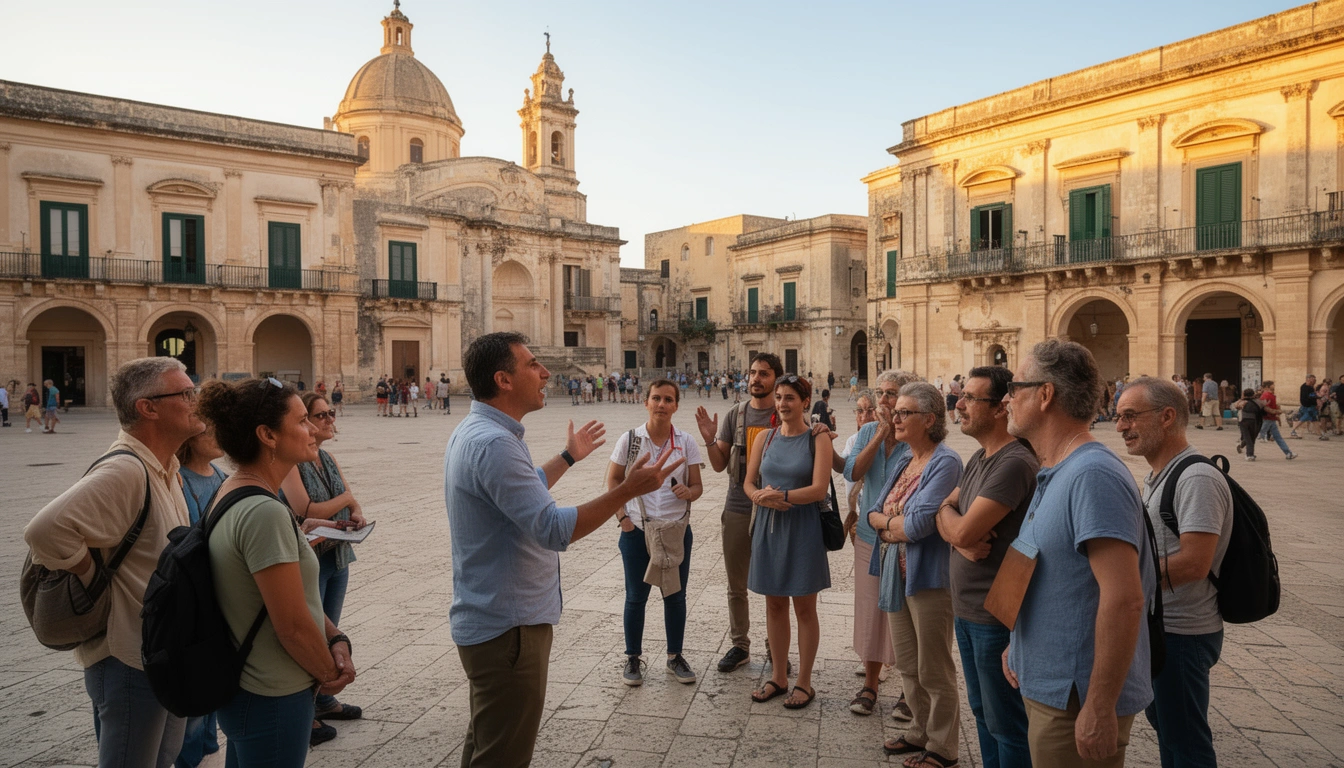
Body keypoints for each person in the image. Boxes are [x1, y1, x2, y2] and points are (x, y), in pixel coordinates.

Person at [445, 333, 681, 766]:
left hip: (490, 620)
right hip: (509, 630)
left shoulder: (477, 430)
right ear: (504, 379)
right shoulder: (495, 443)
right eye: (533, 364)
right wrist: (626, 491)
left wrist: (567, 458)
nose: (546, 372)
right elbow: (553, 529)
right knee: (504, 755)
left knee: (485, 747)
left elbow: (519, 492)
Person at [24, 357, 200, 768]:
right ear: (148, 407)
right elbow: (44, 530)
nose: (196, 401)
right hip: (126, 656)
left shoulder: (166, 466)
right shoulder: (127, 468)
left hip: (159, 649)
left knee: (162, 759)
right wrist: (91, 578)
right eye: (186, 393)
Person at [1002, 339, 1154, 766]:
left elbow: (1124, 598)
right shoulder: (1057, 468)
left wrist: (1100, 705)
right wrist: (1019, 642)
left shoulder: (1092, 475)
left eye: (1015, 387)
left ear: (1045, 394)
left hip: (1075, 699)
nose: (1007, 398)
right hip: (1049, 685)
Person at [195, 377, 355, 767]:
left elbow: (289, 596)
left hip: (251, 687)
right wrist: (326, 674)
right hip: (273, 691)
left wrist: (335, 635)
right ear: (267, 434)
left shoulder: (235, 489)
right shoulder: (263, 512)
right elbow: (292, 625)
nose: (314, 429)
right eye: (302, 421)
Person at [1117, 377, 1232, 768]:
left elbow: (1195, 562)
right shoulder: (1158, 474)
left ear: (1167, 417)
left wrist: (1124, 583)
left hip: (1184, 632)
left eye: (1130, 416)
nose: (1120, 427)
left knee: (1185, 742)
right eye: (1118, 417)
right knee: (1169, 729)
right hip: (1164, 628)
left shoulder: (1196, 477)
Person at [935, 366, 1036, 768]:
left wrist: (955, 529)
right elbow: (945, 511)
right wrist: (953, 524)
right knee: (982, 714)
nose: (958, 404)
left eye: (970, 398)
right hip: (969, 612)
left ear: (1000, 408)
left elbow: (960, 531)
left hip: (996, 618)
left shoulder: (1013, 463)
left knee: (1007, 725)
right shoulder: (980, 457)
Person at [866, 382, 964, 767]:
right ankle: (919, 730)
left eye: (904, 412)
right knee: (907, 661)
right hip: (896, 573)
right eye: (896, 411)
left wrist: (887, 525)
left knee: (934, 666)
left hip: (929, 578)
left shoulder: (946, 461)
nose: (895, 416)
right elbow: (872, 510)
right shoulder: (906, 459)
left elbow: (921, 524)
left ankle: (942, 747)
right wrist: (892, 524)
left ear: (929, 419)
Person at [278, 392, 369, 745]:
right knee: (311, 632)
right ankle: (307, 712)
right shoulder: (291, 463)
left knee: (330, 630)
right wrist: (346, 501)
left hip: (336, 556)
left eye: (330, 413)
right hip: (311, 559)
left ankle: (325, 699)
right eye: (321, 415)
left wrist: (355, 511)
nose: (330, 420)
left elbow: (347, 498)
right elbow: (306, 507)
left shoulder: (326, 457)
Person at [606, 379, 704, 686]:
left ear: (676, 405)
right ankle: (633, 658)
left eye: (668, 399)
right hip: (637, 530)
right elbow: (612, 480)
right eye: (656, 398)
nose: (661, 404)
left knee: (675, 596)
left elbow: (698, 485)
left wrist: (690, 492)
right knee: (636, 597)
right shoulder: (631, 440)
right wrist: (623, 519)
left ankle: (675, 656)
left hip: (674, 531)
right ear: (646, 402)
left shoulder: (686, 442)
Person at [744, 374, 833, 709]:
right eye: (779, 397)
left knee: (804, 608)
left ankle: (805, 682)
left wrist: (781, 494)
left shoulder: (817, 439)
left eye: (790, 398)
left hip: (802, 527)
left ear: (805, 402)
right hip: (768, 526)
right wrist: (760, 498)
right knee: (774, 604)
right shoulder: (764, 439)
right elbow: (749, 483)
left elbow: (819, 489)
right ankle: (778, 677)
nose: (782, 403)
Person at [694, 353, 783, 673]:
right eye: (753, 373)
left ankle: (777, 647)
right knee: (736, 584)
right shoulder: (736, 415)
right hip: (737, 507)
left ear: (777, 379)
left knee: (775, 584)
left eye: (764, 374)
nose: (756, 379)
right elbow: (719, 466)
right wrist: (709, 438)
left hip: (776, 512)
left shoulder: (785, 413)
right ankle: (739, 645)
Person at [844, 369, 919, 722]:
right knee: (871, 610)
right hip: (870, 539)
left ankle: (910, 690)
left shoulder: (918, 439)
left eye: (892, 394)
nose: (884, 401)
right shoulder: (866, 432)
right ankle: (870, 684)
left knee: (906, 615)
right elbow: (854, 472)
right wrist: (880, 435)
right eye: (880, 393)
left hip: (906, 539)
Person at [174, 426, 229, 767]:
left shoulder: (222, 476)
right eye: (210, 430)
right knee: (192, 712)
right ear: (190, 436)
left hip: (219, 601)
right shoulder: (178, 480)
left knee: (212, 699)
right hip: (193, 602)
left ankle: (207, 755)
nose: (218, 435)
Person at [1256, 381, 1296, 459]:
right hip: (1267, 418)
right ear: (1267, 387)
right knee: (1259, 435)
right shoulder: (1266, 395)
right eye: (1272, 385)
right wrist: (1278, 411)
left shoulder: (1271, 395)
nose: (1274, 386)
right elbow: (1265, 408)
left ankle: (1288, 453)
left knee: (1277, 437)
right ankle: (1245, 446)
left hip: (1271, 419)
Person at [1233, 388, 1265, 461]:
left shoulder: (1241, 402)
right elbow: (1263, 409)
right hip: (1254, 421)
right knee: (1251, 438)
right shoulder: (1258, 402)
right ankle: (1249, 454)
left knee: (1248, 437)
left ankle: (1246, 450)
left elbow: (1235, 407)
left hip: (1243, 420)